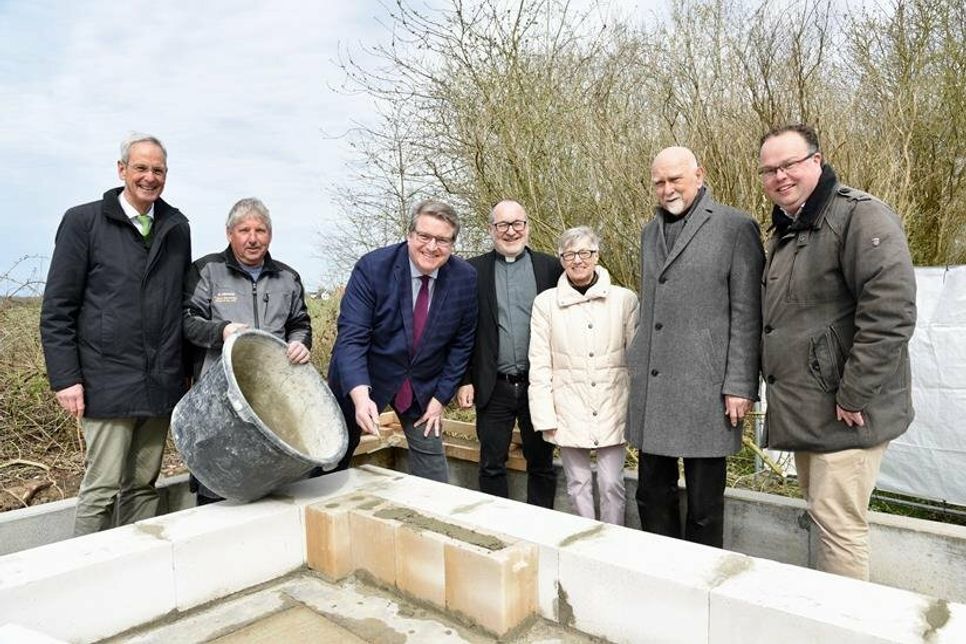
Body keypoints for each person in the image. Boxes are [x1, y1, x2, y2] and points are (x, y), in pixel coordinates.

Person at [758, 124, 916, 580]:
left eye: (788, 164)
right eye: (769, 170)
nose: (779, 177)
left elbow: (891, 312)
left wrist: (853, 394)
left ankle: (846, 626)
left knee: (840, 529)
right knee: (828, 520)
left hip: (845, 413)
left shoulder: (859, 217)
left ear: (816, 161)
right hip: (813, 411)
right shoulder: (788, 228)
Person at [40, 133, 191, 535]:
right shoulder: (83, 222)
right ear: (122, 169)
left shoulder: (177, 228)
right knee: (102, 487)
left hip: (160, 380)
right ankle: (82, 573)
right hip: (106, 380)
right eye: (140, 167)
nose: (149, 177)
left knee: (143, 485)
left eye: (158, 170)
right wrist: (65, 378)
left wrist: (186, 370)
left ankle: (134, 566)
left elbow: (182, 305)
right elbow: (58, 309)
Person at [626, 146, 764, 547]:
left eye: (675, 180)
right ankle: (662, 572)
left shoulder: (735, 227)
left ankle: (701, 582)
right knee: (651, 496)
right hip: (655, 388)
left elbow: (747, 312)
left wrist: (740, 384)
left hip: (706, 388)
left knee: (704, 506)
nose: (667, 189)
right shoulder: (649, 232)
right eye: (659, 182)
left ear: (699, 175)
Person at [328, 199, 477, 482]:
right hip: (365, 375)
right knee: (333, 456)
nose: (432, 247)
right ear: (409, 234)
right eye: (424, 236)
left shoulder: (464, 278)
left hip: (422, 383)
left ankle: (432, 520)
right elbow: (352, 338)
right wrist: (360, 397)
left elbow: (462, 344)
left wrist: (440, 398)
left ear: (453, 244)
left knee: (434, 474)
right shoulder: (373, 268)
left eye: (442, 240)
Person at [183, 197, 312, 504]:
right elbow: (185, 321)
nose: (253, 238)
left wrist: (300, 343)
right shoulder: (207, 271)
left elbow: (300, 323)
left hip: (273, 394)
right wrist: (221, 330)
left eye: (261, 230)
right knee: (218, 474)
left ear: (270, 234)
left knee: (270, 473)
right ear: (230, 233)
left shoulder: (287, 277)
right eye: (244, 230)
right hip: (220, 395)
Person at [528, 227, 638, 524]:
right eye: (570, 254)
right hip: (568, 406)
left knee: (611, 483)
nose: (578, 260)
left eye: (585, 253)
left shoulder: (625, 300)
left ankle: (614, 539)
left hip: (613, 404)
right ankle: (585, 539)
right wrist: (544, 416)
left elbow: (636, 360)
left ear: (596, 256)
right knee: (577, 484)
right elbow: (539, 364)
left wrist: (636, 409)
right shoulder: (545, 303)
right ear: (561, 259)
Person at [456, 200, 561, 507]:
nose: (511, 231)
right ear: (491, 230)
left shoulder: (550, 268)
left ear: (527, 227)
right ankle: (499, 528)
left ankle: (541, 527)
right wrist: (465, 379)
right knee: (491, 464)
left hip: (539, 386)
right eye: (503, 225)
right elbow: (463, 331)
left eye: (518, 224)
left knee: (541, 464)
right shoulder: (473, 271)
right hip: (493, 385)